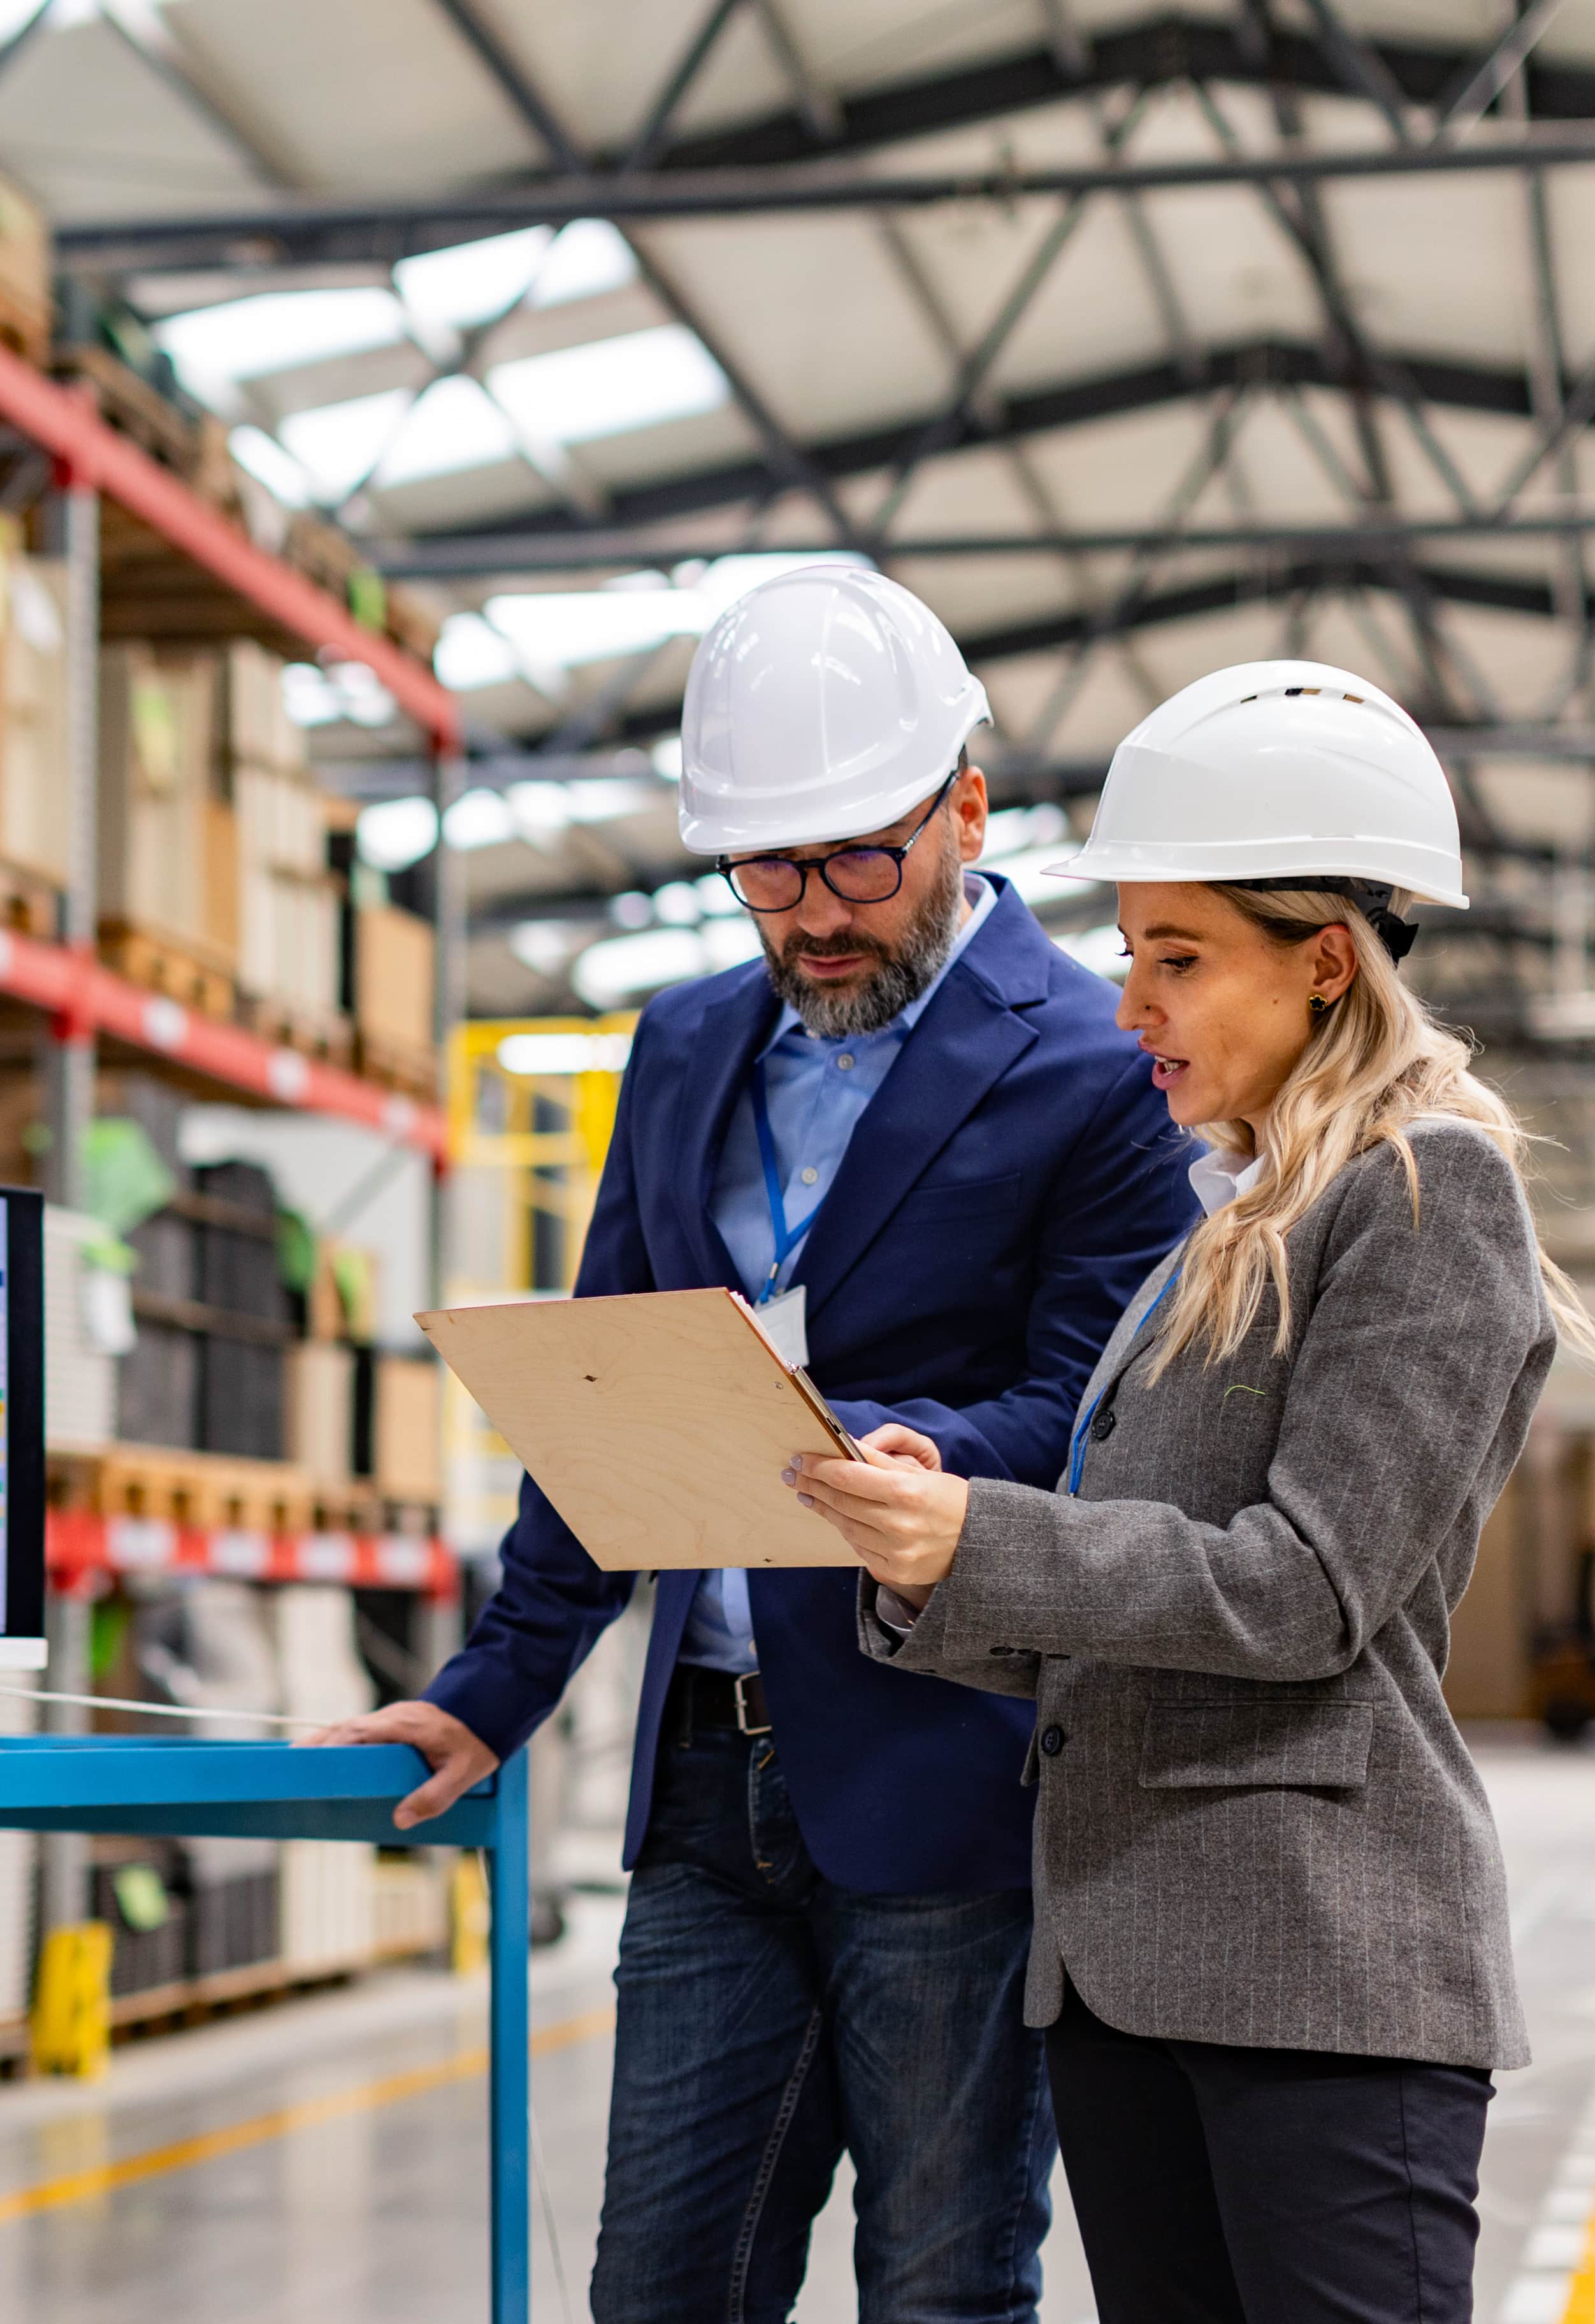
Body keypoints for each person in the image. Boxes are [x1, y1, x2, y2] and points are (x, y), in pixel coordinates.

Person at [313, 565, 1202, 2324]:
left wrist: (915, 1454)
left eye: (857, 862)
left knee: (939, 2288)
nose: (811, 918)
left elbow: (1103, 1407)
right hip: (710, 1789)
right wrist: (495, 1690)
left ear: (964, 803)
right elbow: (604, 1404)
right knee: (661, 2286)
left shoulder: (1098, 1069)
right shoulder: (686, 1044)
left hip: (947, 1775)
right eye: (766, 873)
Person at [793, 660, 1595, 2324]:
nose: (1130, 1004)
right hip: (1130, 1964)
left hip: (1320, 1975)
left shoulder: (1424, 1195)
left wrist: (992, 1542)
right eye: (1131, 952)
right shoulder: (1228, 1224)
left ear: (1324, 962)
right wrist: (927, 1553)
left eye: (1179, 957)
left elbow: (1304, 1591)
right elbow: (1125, 1606)